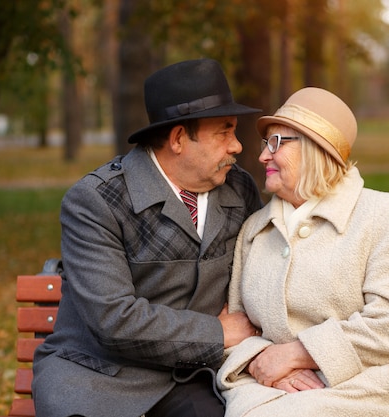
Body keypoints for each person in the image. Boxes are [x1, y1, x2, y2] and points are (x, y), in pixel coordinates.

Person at [32, 58, 264, 417]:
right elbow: (115, 321)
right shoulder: (97, 201)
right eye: (224, 131)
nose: (236, 146)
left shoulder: (238, 189)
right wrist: (217, 334)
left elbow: (264, 274)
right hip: (95, 376)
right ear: (178, 139)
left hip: (188, 377)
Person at [216, 87, 389, 417]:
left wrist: (296, 354)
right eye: (265, 144)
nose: (262, 157)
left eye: (276, 143)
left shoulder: (384, 215)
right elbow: (238, 328)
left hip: (365, 392)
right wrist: (261, 359)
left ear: (315, 148)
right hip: (267, 392)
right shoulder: (256, 229)